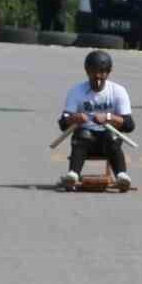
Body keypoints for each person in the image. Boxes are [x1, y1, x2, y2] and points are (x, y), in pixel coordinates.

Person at [59, 50, 133, 190]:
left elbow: (129, 124)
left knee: (112, 136)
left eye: (102, 74)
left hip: (108, 140)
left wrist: (108, 118)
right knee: (82, 135)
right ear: (87, 72)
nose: (98, 79)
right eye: (94, 74)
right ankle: (73, 174)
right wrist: (75, 118)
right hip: (86, 141)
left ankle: (122, 176)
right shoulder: (77, 91)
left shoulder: (118, 91)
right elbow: (63, 122)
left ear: (108, 73)